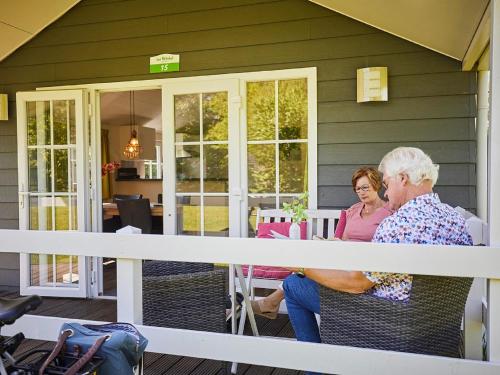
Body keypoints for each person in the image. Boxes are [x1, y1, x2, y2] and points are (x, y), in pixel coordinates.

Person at [283, 147, 472, 375]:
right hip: (434, 324)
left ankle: (317, 370)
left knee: (294, 284)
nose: (386, 192)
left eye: (386, 184)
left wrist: (302, 267)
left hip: (383, 320)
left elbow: (357, 284)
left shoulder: (397, 224)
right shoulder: (457, 220)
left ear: (402, 179)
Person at [251, 167, 392, 319]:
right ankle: (271, 302)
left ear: (376, 185)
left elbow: (384, 245)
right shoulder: (353, 210)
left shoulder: (389, 213)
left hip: (364, 267)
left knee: (298, 275)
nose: (361, 192)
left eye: (365, 187)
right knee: (304, 264)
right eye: (357, 189)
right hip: (343, 258)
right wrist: (330, 242)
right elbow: (342, 239)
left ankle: (271, 302)